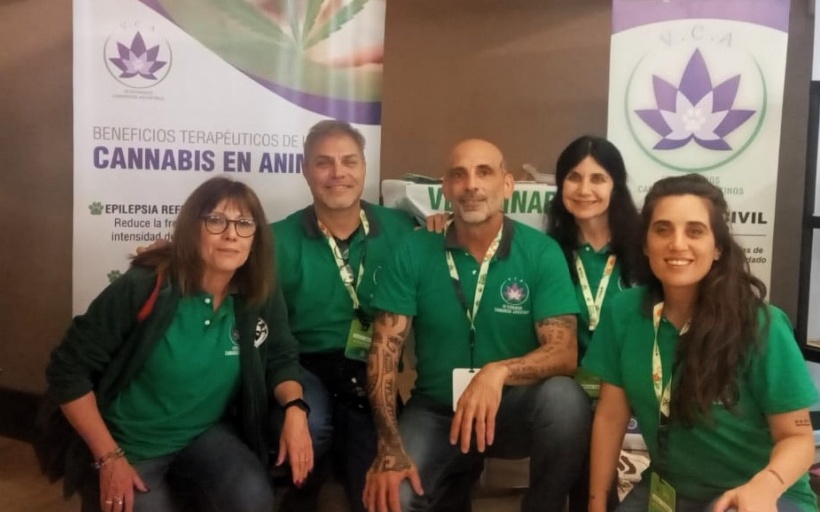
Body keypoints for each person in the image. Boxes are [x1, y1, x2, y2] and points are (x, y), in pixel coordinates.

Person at [45, 176, 311, 512]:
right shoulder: (147, 285)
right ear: (191, 229)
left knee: (253, 498)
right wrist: (109, 457)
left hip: (203, 432)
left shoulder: (258, 293)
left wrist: (295, 409)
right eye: (216, 221)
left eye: (244, 223)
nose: (231, 234)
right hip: (130, 443)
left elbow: (282, 357)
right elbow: (67, 370)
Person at [362, 138, 592, 512]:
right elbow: (384, 354)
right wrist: (389, 446)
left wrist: (498, 372)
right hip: (438, 410)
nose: (471, 185)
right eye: (459, 175)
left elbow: (564, 352)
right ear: (446, 187)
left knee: (565, 400)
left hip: (514, 408)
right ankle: (455, 483)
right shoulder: (414, 249)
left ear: (507, 184)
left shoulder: (540, 251)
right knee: (394, 497)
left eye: (484, 172)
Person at [585, 174, 819, 512]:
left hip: (758, 493)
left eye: (695, 231)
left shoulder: (760, 324)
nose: (677, 244)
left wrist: (765, 486)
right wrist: (596, 505)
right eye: (662, 230)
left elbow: (798, 438)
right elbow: (610, 417)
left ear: (718, 247)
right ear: (645, 243)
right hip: (669, 490)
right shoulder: (624, 312)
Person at [271, 120, 416, 512]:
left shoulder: (404, 230)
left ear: (364, 167)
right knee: (314, 426)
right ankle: (304, 490)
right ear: (305, 170)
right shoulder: (275, 239)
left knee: (381, 497)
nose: (338, 173)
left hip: (372, 369)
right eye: (324, 163)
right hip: (305, 367)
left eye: (349, 161)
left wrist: (441, 224)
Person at [545, 135, 644, 362]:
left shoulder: (645, 247)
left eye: (597, 179)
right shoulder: (547, 252)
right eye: (574, 177)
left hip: (634, 372)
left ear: (615, 187)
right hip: (569, 377)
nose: (584, 190)